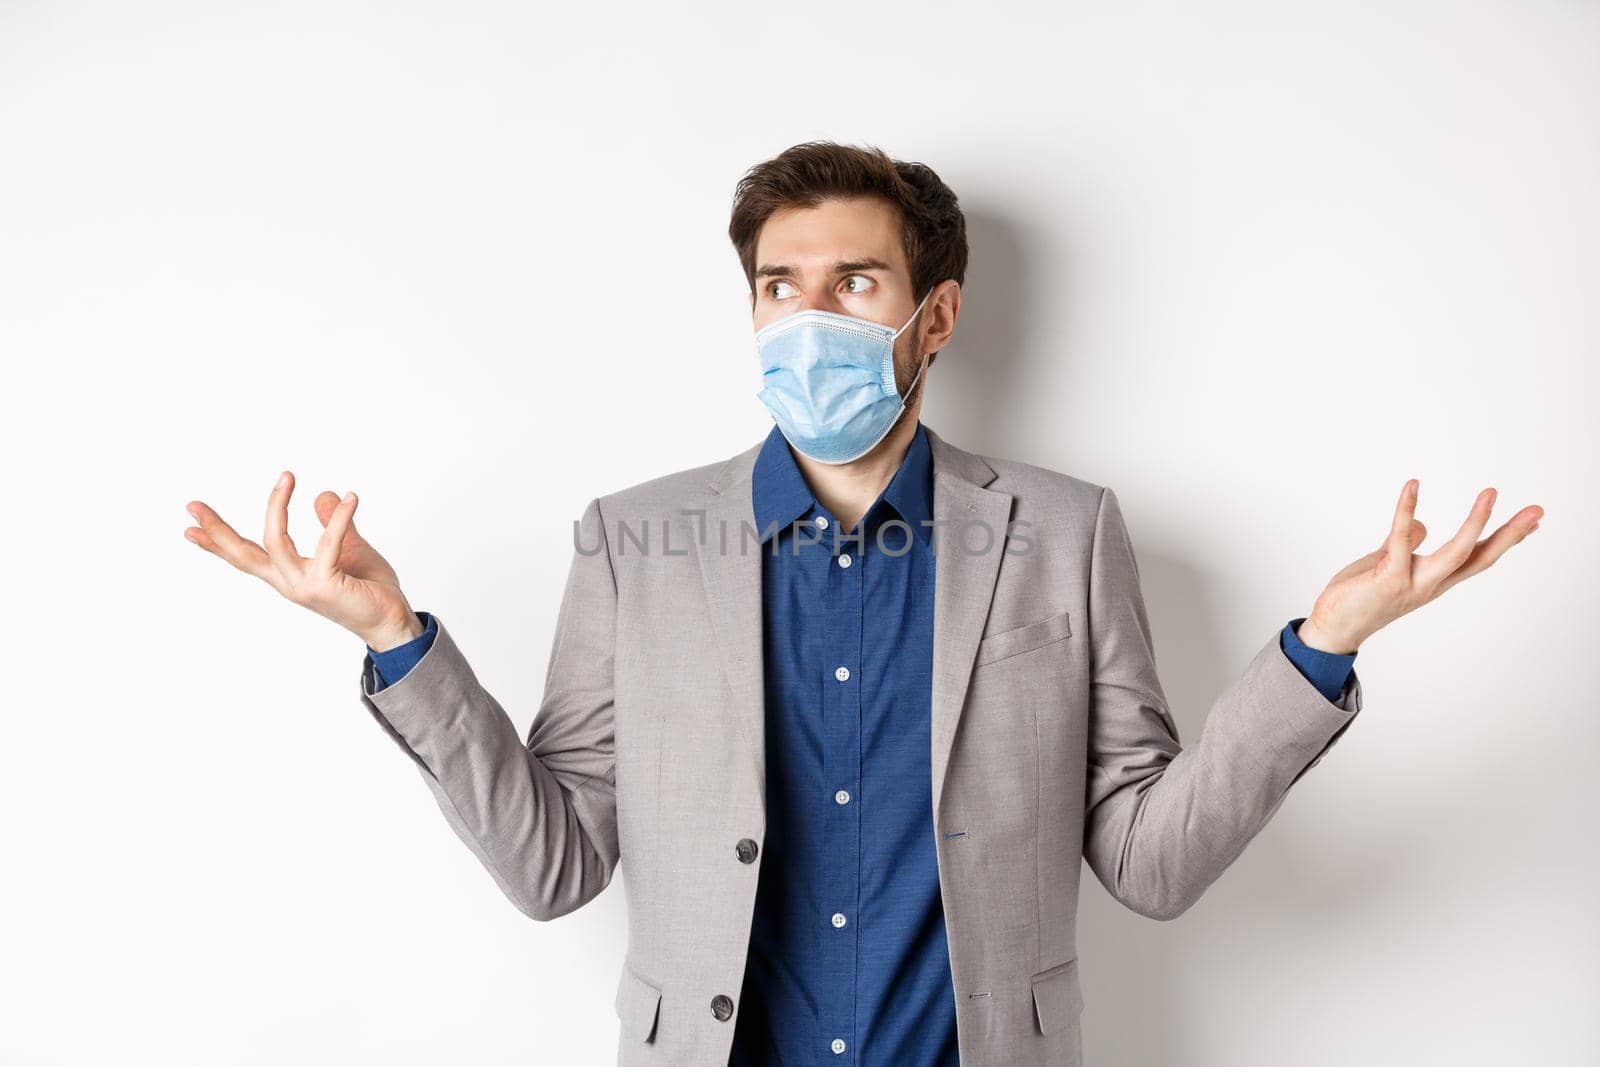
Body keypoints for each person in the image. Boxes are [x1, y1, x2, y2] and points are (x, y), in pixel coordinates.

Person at [184, 141, 1544, 1066]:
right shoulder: (633, 542)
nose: (809, 319)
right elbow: (554, 868)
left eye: (855, 285)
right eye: (780, 288)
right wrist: (392, 641)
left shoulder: (1065, 533)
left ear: (933, 317)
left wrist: (1324, 648)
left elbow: (1151, 861)